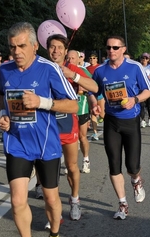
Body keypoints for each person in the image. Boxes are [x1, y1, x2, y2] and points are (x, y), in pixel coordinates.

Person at [0, 22, 78, 237]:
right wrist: (3, 114)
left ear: (35, 46)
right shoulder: (4, 70)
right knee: (17, 200)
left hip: (46, 144)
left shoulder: (49, 69)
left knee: (51, 200)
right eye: (12, 47)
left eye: (22, 46)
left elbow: (74, 105)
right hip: (17, 142)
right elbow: (3, 97)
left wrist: (42, 102)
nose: (17, 52)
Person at [90, 36, 150, 220]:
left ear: (123, 49)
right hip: (111, 121)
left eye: (115, 47)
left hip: (131, 121)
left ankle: (136, 180)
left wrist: (134, 99)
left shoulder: (134, 67)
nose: (111, 50)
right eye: (108, 47)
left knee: (132, 166)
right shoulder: (100, 70)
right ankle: (123, 204)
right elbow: (93, 91)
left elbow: (148, 90)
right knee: (114, 165)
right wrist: (94, 103)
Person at [46, 36, 98, 224]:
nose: (56, 51)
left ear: (65, 50)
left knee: (71, 166)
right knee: (49, 169)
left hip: (67, 121)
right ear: (47, 49)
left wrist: (72, 75)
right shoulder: (42, 67)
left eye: (59, 47)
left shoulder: (73, 68)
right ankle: (54, 210)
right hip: (47, 124)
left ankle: (75, 199)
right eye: (52, 47)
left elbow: (94, 87)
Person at [87, 52, 104, 140]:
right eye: (90, 58)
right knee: (93, 112)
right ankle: (95, 132)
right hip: (91, 93)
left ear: (97, 59)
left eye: (94, 58)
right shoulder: (86, 69)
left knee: (102, 114)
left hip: (100, 92)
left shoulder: (100, 67)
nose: (92, 60)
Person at [139, 53, 150, 128]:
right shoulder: (138, 67)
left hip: (149, 88)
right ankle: (142, 120)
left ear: (148, 60)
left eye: (146, 58)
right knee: (141, 105)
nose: (144, 60)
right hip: (141, 88)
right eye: (143, 58)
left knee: (149, 105)